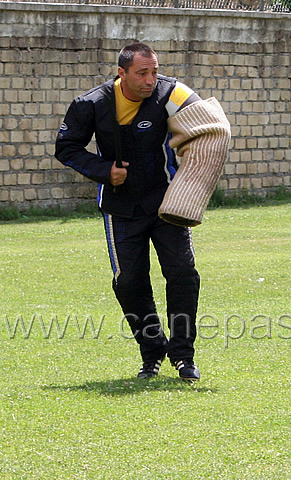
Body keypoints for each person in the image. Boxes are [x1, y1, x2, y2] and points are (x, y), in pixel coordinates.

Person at [55, 43, 221, 381]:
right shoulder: (92, 104)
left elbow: (213, 123)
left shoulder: (170, 94)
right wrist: (104, 171)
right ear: (122, 74)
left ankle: (183, 356)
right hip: (120, 208)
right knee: (129, 282)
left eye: (154, 72)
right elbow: (66, 148)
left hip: (166, 205)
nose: (150, 80)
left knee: (182, 273)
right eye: (142, 73)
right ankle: (152, 351)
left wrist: (196, 173)